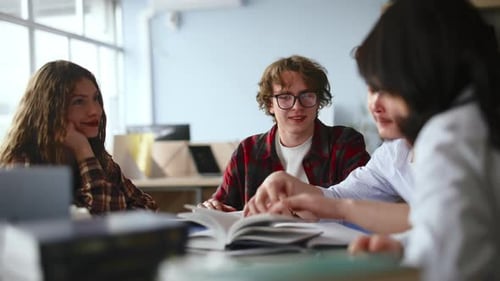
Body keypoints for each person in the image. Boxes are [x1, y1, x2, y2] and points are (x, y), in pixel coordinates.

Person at [262, 0, 500, 280]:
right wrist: (402, 247)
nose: (376, 103)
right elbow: (455, 230)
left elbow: (450, 263)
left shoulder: (447, 136)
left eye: (386, 85)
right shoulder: (445, 132)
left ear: (418, 74)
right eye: (371, 88)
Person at [200, 55, 370, 211]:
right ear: (270, 104)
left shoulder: (345, 143)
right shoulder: (247, 151)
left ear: (318, 101)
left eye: (307, 95)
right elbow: (224, 205)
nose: (297, 106)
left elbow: (364, 205)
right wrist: (214, 209)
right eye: (285, 97)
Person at [244, 83, 414, 234]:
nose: (374, 105)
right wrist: (296, 188)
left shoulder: (345, 141)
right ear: (270, 104)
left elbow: (436, 220)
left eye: (390, 90)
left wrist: (340, 209)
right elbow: (343, 196)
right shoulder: (393, 152)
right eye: (372, 90)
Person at [0, 60, 159, 215]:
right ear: (50, 110)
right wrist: (82, 149)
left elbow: (148, 208)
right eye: (79, 102)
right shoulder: (22, 163)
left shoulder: (100, 158)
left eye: (96, 99)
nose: (95, 111)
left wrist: (83, 151)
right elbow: (98, 222)